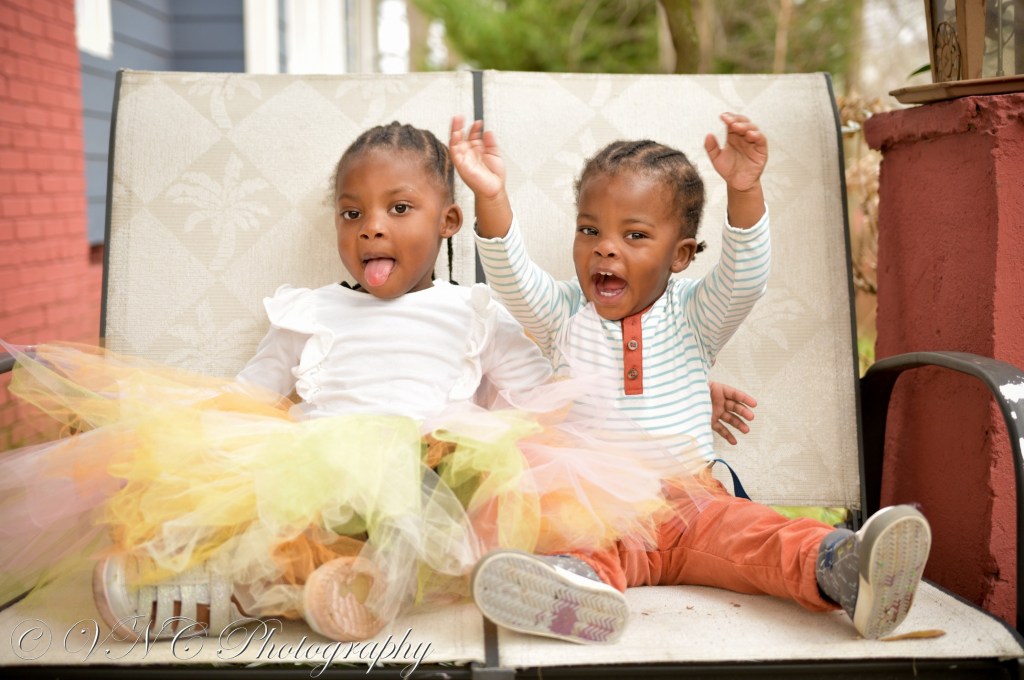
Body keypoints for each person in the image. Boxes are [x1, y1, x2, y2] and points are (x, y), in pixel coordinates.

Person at [0, 121, 745, 645]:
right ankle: (221, 599)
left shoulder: (474, 310)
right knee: (273, 527)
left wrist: (687, 385)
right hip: (317, 466)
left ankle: (358, 585)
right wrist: (130, 410)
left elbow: (546, 394)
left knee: (432, 487)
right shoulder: (306, 311)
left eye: (399, 209)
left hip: (432, 470)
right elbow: (246, 398)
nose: (372, 228)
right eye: (352, 213)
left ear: (449, 221)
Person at [449, 113, 932, 643]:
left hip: (692, 504)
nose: (605, 247)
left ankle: (842, 566)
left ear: (679, 255)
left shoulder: (695, 315)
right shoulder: (562, 314)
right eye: (590, 230)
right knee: (582, 543)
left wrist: (744, 191)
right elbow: (512, 275)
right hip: (598, 507)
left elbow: (745, 278)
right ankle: (572, 589)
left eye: (635, 235)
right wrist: (491, 196)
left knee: (753, 533)